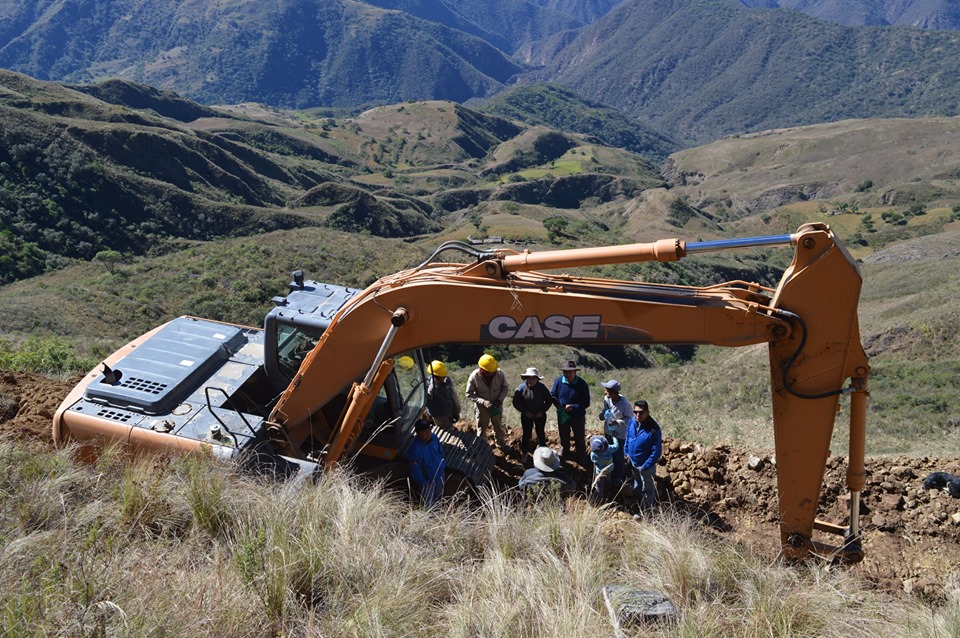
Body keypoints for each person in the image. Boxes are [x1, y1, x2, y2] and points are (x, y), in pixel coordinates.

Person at [624, 400, 662, 514]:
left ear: (648, 412)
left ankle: (646, 513)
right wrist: (626, 453)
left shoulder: (654, 429)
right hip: (633, 462)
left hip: (645, 466)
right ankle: (637, 505)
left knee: (648, 490)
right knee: (637, 483)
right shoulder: (632, 421)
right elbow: (628, 437)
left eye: (641, 412)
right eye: (635, 412)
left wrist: (646, 466)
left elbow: (656, 451)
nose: (638, 415)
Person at [466, 353, 509, 448]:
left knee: (498, 426)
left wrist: (500, 400)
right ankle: (482, 447)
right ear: (483, 370)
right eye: (490, 372)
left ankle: (501, 444)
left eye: (493, 371)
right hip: (482, 409)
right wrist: (483, 402)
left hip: (497, 406)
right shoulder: (474, 377)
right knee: (481, 429)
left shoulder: (499, 374)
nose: (493, 373)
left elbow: (505, 388)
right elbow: (469, 393)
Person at [550, 360, 590, 463]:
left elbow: (586, 402)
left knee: (579, 435)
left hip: (577, 415)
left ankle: (581, 454)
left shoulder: (582, 384)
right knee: (563, 433)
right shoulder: (559, 381)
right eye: (564, 372)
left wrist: (573, 407)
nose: (566, 374)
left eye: (569, 372)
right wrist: (560, 406)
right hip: (563, 413)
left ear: (575, 372)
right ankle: (565, 450)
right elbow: (553, 395)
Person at [512, 367, 552, 461]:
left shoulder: (542, 388)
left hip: (540, 415)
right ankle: (524, 453)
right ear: (526, 378)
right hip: (526, 415)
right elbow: (516, 402)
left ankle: (543, 454)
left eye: (533, 378)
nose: (531, 380)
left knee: (540, 433)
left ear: (537, 379)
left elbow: (549, 401)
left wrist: (541, 411)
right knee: (526, 434)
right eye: (529, 378)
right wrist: (525, 411)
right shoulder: (521, 388)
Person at [598, 379, 631, 487]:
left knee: (618, 455)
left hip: (619, 434)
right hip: (608, 431)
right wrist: (603, 415)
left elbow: (630, 419)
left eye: (607, 390)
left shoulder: (624, 403)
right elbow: (606, 410)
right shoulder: (607, 399)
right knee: (609, 453)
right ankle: (609, 472)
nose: (605, 391)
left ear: (613, 392)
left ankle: (619, 477)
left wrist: (618, 422)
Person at [407, 418, 446, 508]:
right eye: (424, 431)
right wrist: (424, 483)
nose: (428, 433)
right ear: (418, 433)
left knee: (437, 501)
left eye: (429, 429)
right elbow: (415, 470)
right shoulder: (415, 449)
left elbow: (440, 452)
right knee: (427, 506)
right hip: (427, 482)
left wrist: (442, 466)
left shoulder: (435, 438)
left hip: (439, 476)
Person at [425, 360, 460, 429]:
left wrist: (457, 410)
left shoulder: (447, 381)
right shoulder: (428, 385)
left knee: (450, 427)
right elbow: (428, 398)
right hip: (439, 415)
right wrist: (433, 385)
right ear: (435, 376)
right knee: (448, 431)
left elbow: (453, 396)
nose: (444, 378)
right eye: (441, 376)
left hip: (449, 411)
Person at [588, 435, 618, 503]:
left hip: (599, 472)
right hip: (609, 470)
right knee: (608, 480)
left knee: (599, 487)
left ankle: (600, 499)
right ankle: (608, 491)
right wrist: (615, 438)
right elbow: (616, 446)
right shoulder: (609, 449)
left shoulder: (593, 454)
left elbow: (593, 460)